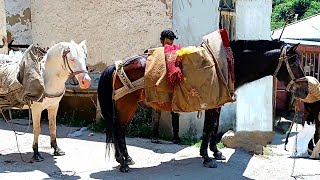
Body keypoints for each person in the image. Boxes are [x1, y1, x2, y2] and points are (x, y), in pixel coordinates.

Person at [151, 30, 181, 144]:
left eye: (171, 43)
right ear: (161, 41)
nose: (170, 46)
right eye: (167, 43)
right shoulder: (156, 54)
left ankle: (176, 137)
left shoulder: (174, 53)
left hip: (172, 86)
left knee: (175, 110)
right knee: (156, 109)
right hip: (158, 86)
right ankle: (154, 135)